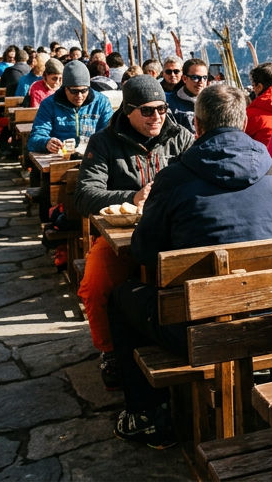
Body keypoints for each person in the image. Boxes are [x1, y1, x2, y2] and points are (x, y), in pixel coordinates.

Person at [111, 82, 272, 445]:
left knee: (122, 299)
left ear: (197, 126)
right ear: (244, 122)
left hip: (197, 333)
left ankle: (147, 415)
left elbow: (143, 253)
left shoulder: (173, 179)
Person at [75, 76, 195, 388]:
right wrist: (131, 197)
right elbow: (85, 195)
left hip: (172, 229)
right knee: (95, 284)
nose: (157, 116)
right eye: (147, 111)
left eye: (162, 109)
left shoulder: (181, 137)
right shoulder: (103, 142)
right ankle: (111, 351)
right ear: (128, 111)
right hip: (121, 233)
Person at [28, 61, 114, 154]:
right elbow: (35, 138)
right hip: (59, 159)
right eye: (74, 91)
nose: (79, 96)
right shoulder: (49, 104)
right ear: (65, 88)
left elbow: (110, 133)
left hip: (93, 156)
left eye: (84, 90)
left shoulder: (101, 102)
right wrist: (46, 143)